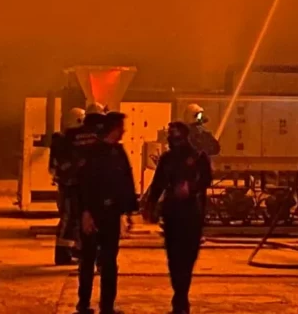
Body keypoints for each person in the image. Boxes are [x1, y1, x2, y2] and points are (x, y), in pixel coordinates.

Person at [142, 121, 212, 314]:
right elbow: (158, 183)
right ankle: (180, 298)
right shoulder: (167, 158)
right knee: (174, 259)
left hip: (192, 214)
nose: (173, 139)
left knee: (187, 258)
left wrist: (191, 188)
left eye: (176, 135)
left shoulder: (198, 157)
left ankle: (181, 298)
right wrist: (150, 204)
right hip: (172, 214)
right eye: (170, 135)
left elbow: (207, 180)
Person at [76, 110, 137, 314]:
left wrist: (127, 211)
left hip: (112, 215)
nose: (124, 131)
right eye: (120, 127)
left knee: (110, 261)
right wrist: (86, 213)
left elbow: (125, 182)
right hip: (94, 213)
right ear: (113, 129)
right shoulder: (93, 153)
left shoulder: (118, 153)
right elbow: (83, 184)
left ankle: (107, 306)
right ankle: (83, 304)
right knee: (88, 259)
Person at [50, 107, 89, 265]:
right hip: (69, 186)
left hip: (71, 185)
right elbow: (65, 165)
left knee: (73, 219)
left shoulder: (66, 141)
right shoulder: (64, 142)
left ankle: (71, 251)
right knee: (69, 218)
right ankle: (63, 254)